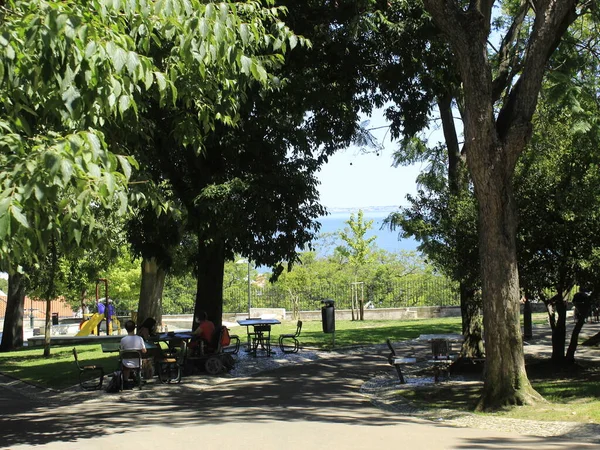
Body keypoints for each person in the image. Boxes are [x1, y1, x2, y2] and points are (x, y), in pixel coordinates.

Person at [120, 320, 147, 385]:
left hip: (126, 362)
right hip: (137, 362)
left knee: (123, 363)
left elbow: (121, 350)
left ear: (126, 329)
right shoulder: (140, 338)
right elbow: (144, 350)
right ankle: (138, 378)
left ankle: (125, 380)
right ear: (134, 328)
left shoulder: (123, 340)